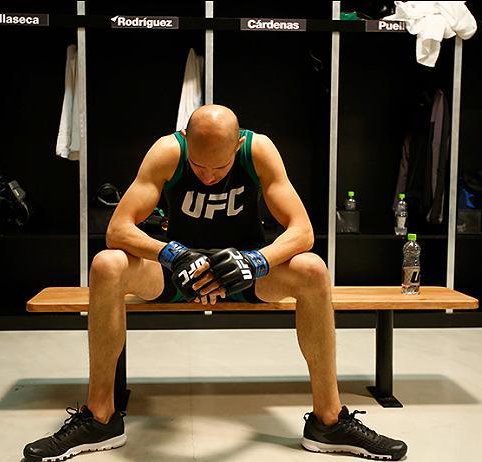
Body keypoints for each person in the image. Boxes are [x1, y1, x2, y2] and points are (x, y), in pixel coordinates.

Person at [23, 104, 408, 461]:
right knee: (107, 264)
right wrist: (173, 254)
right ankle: (100, 418)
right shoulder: (166, 152)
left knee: (312, 269)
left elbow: (302, 230)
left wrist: (256, 260)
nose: (207, 177)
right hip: (176, 273)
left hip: (245, 274)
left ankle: (329, 421)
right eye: (199, 166)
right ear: (186, 142)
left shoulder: (257, 151)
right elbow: (118, 229)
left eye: (219, 169)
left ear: (237, 144)